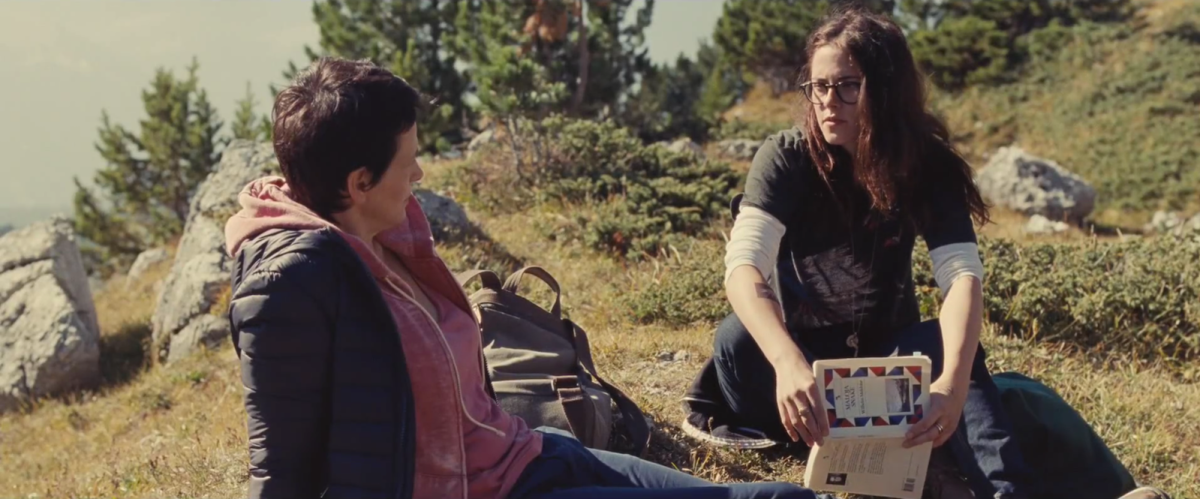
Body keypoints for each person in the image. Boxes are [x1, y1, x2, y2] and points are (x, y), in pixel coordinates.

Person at [224, 56, 829, 499]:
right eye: (408, 162)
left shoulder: (384, 236)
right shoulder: (291, 284)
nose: (420, 173)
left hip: (523, 452)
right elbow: (279, 467)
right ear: (359, 183)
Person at [681, 7, 1036, 499]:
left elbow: (961, 278)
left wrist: (950, 388)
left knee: (949, 346)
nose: (829, 102)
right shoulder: (786, 157)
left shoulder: (925, 165)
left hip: (884, 368)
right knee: (739, 337)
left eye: (848, 85)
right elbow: (743, 267)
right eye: (819, 86)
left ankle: (1005, 491)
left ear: (886, 89)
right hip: (793, 377)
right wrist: (787, 363)